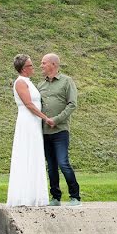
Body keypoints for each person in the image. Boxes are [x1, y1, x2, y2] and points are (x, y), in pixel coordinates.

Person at [6, 55, 52, 206]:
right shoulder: (20, 82)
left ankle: (34, 195)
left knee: (34, 154)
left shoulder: (28, 82)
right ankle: (23, 196)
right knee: (26, 153)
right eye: (31, 65)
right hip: (27, 121)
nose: (34, 68)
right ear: (24, 68)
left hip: (34, 122)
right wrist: (45, 118)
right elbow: (29, 105)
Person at [39, 53, 81, 206]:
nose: (41, 66)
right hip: (44, 132)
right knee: (51, 166)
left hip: (60, 131)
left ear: (53, 65)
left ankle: (75, 196)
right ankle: (55, 197)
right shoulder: (40, 85)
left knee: (63, 163)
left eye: (44, 63)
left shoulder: (66, 81)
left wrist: (55, 120)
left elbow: (72, 104)